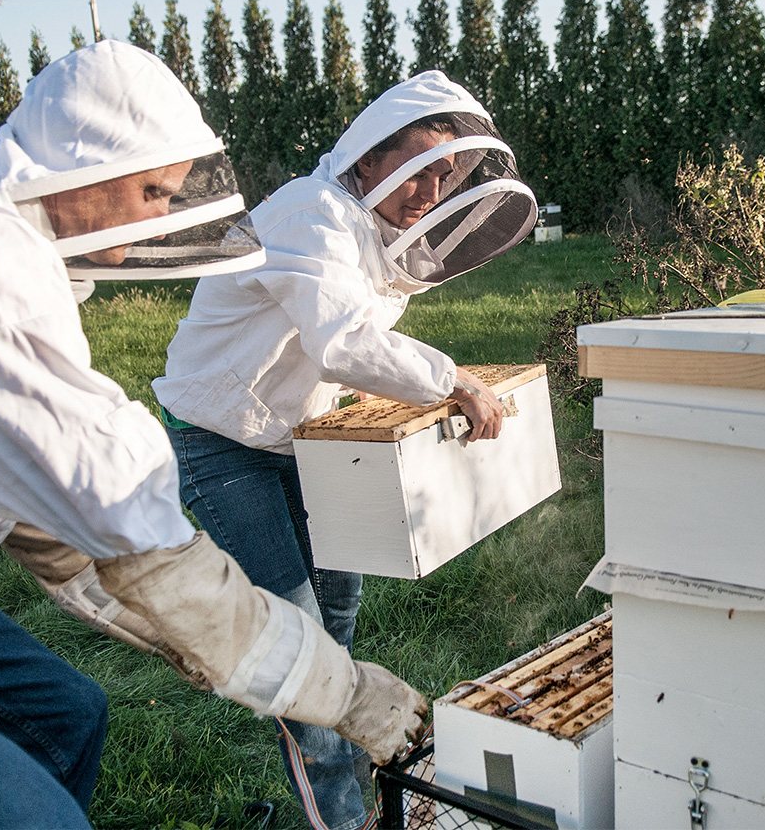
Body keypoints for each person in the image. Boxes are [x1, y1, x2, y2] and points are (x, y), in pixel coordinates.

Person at [0, 40, 427, 830]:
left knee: (64, 719)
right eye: (151, 191)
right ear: (82, 172)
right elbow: (153, 561)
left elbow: (65, 544)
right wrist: (345, 693)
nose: (163, 217)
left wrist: (190, 640)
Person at [153, 70, 537, 830]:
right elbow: (343, 341)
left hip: (304, 439)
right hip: (222, 443)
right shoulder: (309, 212)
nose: (434, 187)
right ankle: (339, 813)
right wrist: (451, 379)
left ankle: (345, 766)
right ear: (369, 158)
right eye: (422, 167)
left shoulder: (369, 230)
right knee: (292, 641)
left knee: (338, 614)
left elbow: (327, 339)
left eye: (447, 173)